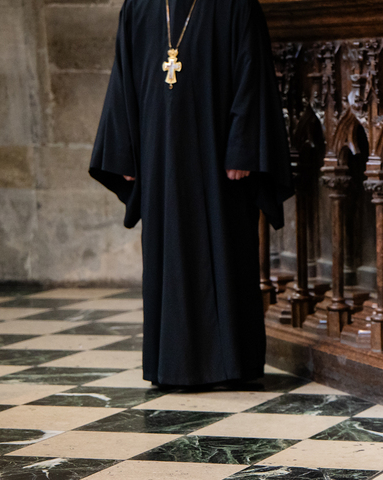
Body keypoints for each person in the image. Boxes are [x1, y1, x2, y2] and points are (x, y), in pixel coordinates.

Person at [90, 0, 293, 388]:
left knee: (226, 250)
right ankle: (171, 366)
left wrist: (243, 147)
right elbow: (123, 80)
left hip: (219, 161)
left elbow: (252, 75)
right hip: (158, 158)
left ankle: (232, 364)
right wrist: (124, 151)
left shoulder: (236, 7)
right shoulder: (139, 8)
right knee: (167, 255)